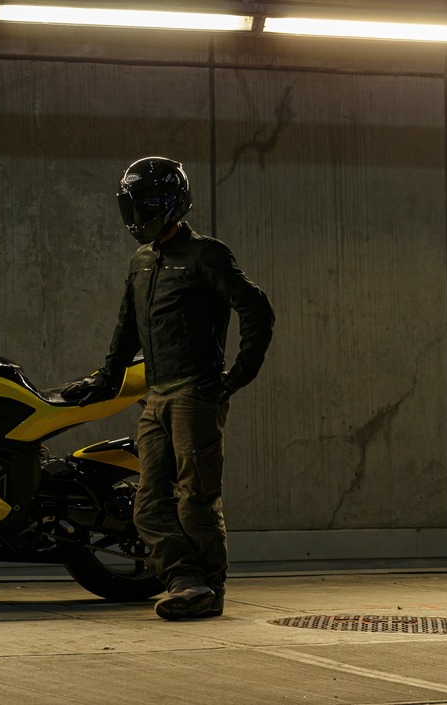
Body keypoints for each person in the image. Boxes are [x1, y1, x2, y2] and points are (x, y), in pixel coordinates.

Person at [64, 156, 274, 620]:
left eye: (146, 204)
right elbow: (127, 328)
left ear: (171, 202)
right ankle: (185, 581)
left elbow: (257, 308)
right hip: (156, 396)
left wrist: (237, 376)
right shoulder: (142, 262)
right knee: (147, 505)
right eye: (132, 205)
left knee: (196, 498)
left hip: (196, 395)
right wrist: (105, 379)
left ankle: (208, 590)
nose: (138, 215)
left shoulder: (205, 255)